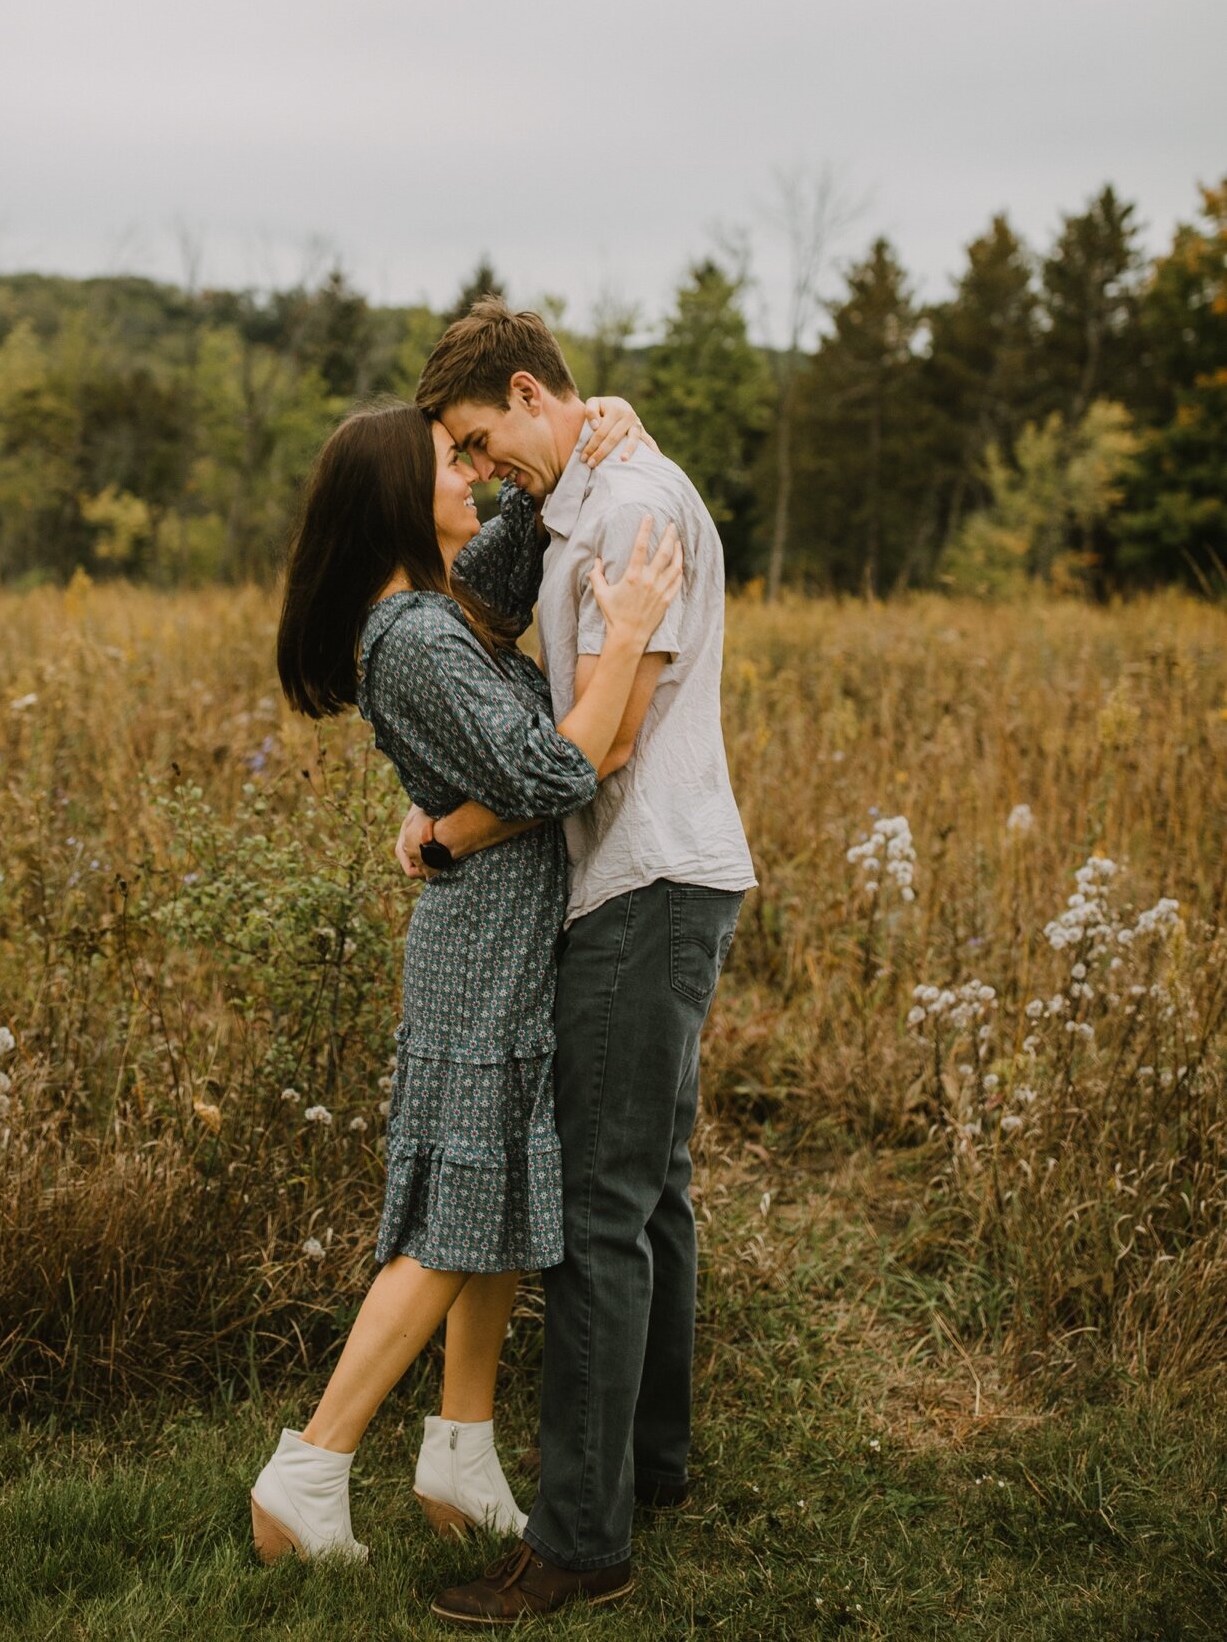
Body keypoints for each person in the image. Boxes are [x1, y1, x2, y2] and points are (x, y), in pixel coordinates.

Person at [250, 394, 679, 1563]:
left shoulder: (443, 606)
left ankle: (460, 1450)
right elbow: (556, 767)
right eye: (452, 464)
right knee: (451, 1220)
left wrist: (590, 427)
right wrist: (630, 629)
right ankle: (312, 1465)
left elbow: (524, 511)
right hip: (483, 947)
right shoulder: (419, 638)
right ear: (401, 495)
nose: (474, 479)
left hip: (501, 926)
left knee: (498, 1191)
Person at [407, 300, 756, 1626]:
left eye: (485, 437)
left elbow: (598, 750)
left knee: (601, 1218)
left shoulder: (631, 508)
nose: (485, 467)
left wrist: (447, 837)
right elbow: (476, 595)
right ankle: (647, 1469)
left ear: (525, 390)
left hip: (642, 881)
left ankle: (578, 1545)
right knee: (652, 1189)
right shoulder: (580, 495)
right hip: (656, 877)